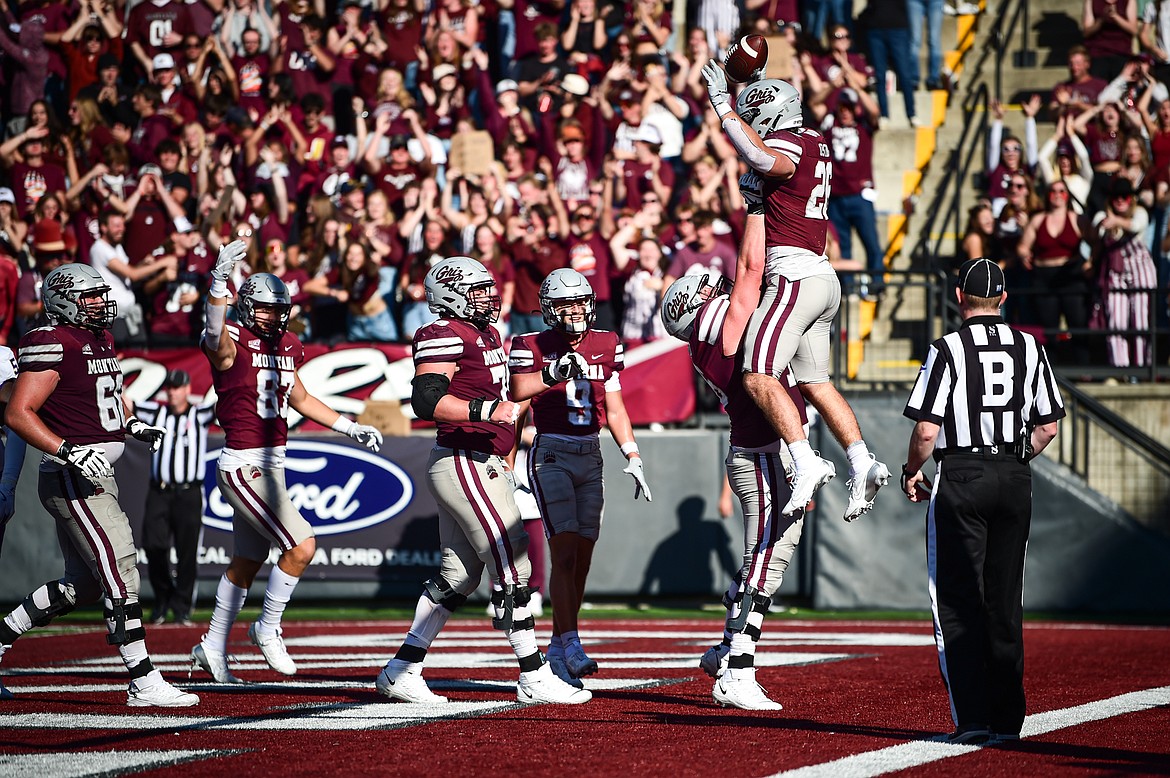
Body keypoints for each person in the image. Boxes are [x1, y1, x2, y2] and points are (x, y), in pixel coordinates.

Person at [377, 257, 589, 706]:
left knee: (459, 577)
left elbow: (507, 389)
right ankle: (533, 674)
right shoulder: (441, 333)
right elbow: (426, 400)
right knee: (513, 562)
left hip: (480, 460)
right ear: (450, 293)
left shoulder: (488, 333)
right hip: (464, 458)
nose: (488, 298)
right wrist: (483, 412)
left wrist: (551, 375)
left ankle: (402, 669)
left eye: (488, 289)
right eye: (477, 291)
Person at [0, 263, 197, 707]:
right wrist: (68, 450)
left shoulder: (98, 339)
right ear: (65, 299)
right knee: (121, 567)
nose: (100, 303)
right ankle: (143, 679)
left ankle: (0, 638)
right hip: (74, 475)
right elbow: (19, 412)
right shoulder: (52, 341)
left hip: (93, 473)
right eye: (90, 296)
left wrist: (129, 424)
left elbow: (93, 402)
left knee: (82, 587)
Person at [700, 65, 889, 521]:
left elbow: (765, 159)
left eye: (753, 115)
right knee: (815, 383)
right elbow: (771, 170)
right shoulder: (816, 140)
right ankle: (862, 460)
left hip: (794, 275)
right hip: (821, 276)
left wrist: (724, 107)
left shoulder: (792, 143)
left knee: (757, 374)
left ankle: (806, 461)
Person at [190, 241, 384, 684]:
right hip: (242, 463)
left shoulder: (289, 344)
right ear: (244, 307)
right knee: (302, 546)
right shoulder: (231, 342)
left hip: (272, 463)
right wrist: (218, 281)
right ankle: (267, 626)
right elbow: (215, 333)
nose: (274, 318)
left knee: (247, 559)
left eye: (280, 310)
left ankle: (212, 646)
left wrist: (349, 427)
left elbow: (299, 398)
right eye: (265, 310)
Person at [902, 257, 1064, 744]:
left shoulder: (948, 349)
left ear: (958, 297)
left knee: (956, 598)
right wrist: (1013, 463)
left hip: (962, 474)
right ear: (1004, 299)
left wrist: (912, 471)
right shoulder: (1030, 346)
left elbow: (927, 429)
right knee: (1004, 598)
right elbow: (1049, 426)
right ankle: (1007, 718)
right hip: (1014, 474)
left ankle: (972, 719)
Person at [659, 192, 808, 711]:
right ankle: (737, 668)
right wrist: (759, 207)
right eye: (711, 288)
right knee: (766, 561)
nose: (721, 287)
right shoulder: (724, 334)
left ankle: (725, 647)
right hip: (764, 455)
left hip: (765, 454)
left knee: (765, 558)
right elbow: (751, 268)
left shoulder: (710, 343)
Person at [508, 268, 651, 688]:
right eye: (566, 304)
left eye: (580, 302)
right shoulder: (528, 345)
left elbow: (616, 407)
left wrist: (633, 453)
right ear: (550, 309)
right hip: (551, 450)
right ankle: (570, 642)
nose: (575, 311)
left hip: (591, 454)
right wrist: (507, 459)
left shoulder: (606, 343)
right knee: (565, 549)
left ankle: (558, 644)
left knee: (583, 554)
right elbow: (517, 395)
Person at [131, 369, 216, 626]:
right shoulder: (156, 413)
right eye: (169, 387)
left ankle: (181, 607)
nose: (172, 392)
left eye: (177, 387)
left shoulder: (198, 414)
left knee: (187, 551)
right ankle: (162, 598)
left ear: (188, 389)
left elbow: (222, 403)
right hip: (160, 490)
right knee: (153, 545)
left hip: (189, 492)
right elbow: (128, 403)